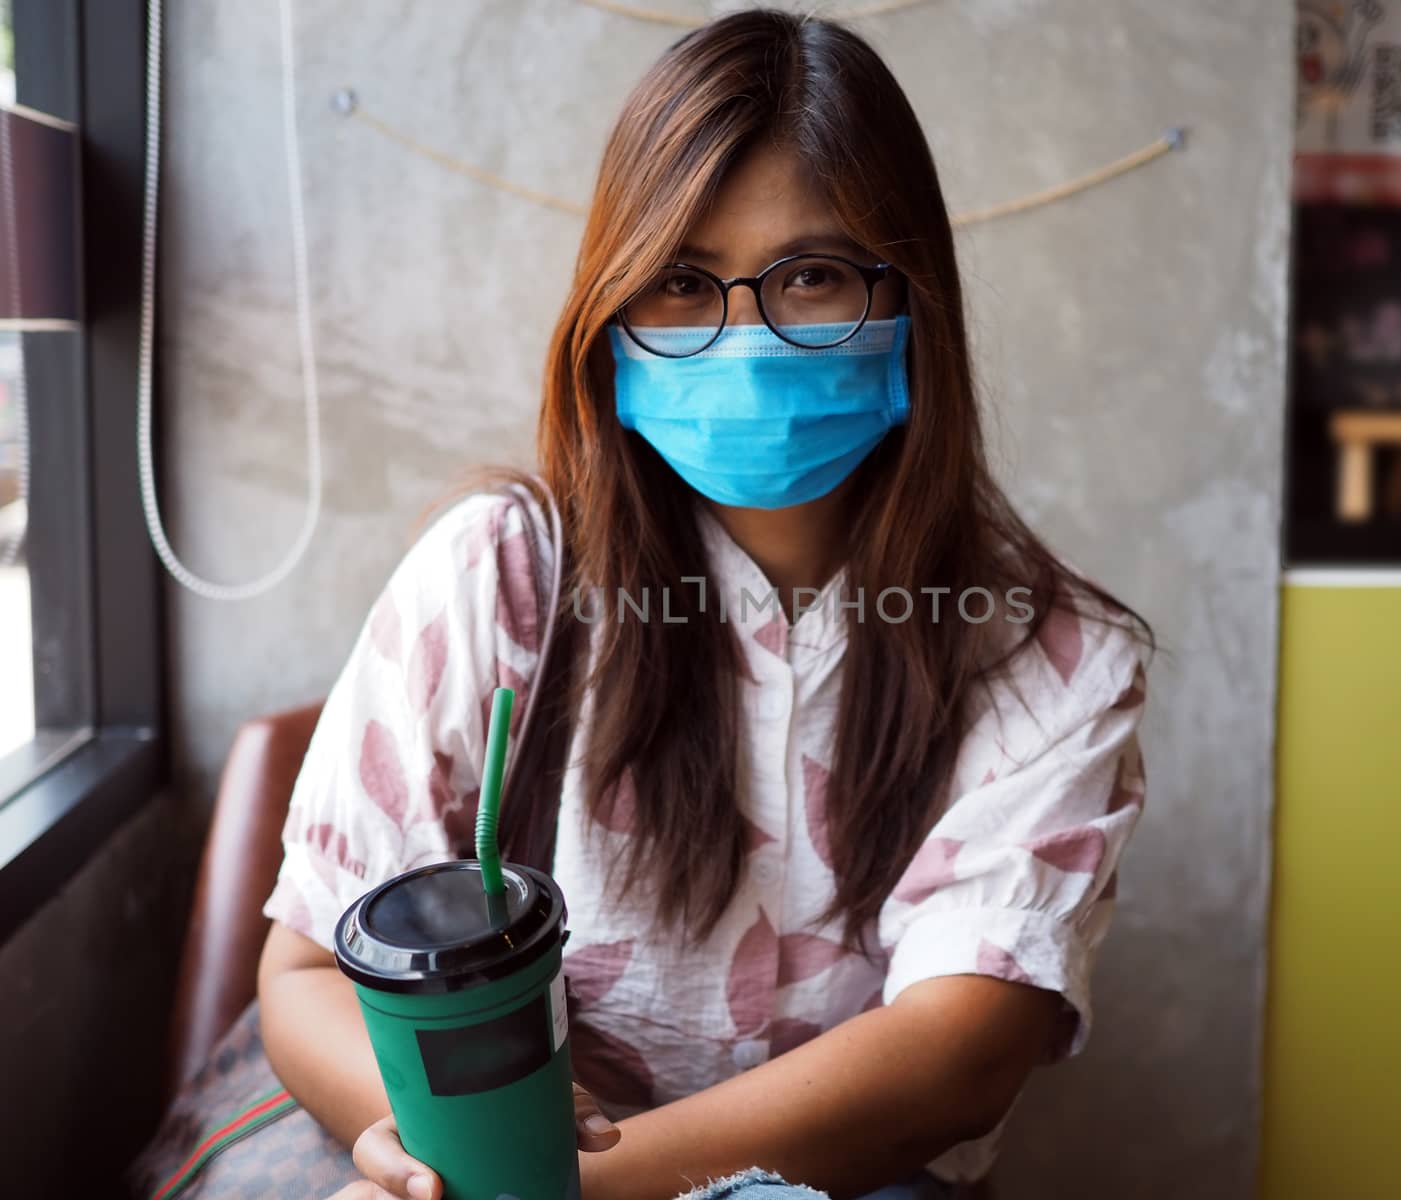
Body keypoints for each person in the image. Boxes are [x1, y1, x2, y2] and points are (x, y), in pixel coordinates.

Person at [255, 8, 1152, 1200]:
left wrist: (548, 1189)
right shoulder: (498, 577)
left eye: (814, 275)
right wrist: (450, 1152)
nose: (746, 337)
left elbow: (954, 1059)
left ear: (912, 296)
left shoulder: (1050, 658)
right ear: (609, 319)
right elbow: (308, 972)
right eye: (681, 282)